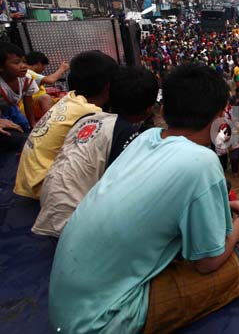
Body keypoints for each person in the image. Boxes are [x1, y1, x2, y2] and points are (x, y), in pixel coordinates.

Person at [48, 63, 239, 334]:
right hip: (102, 320)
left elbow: (161, 202)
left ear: (163, 111)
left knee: (225, 229)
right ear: (219, 119)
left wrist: (234, 204)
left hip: (69, 301)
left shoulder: (147, 137)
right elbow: (207, 263)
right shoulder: (202, 162)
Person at [32, 67, 158, 238]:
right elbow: (122, 191)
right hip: (72, 226)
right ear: (149, 109)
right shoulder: (125, 133)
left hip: (47, 209)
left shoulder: (87, 119)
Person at [14, 51, 118, 199]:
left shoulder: (70, 98)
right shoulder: (92, 114)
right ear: (108, 86)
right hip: (41, 186)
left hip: (26, 179)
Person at [0, 42, 38, 132]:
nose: (24, 66)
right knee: (11, 133)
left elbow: (28, 103)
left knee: (25, 127)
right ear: (1, 67)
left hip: (13, 109)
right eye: (17, 62)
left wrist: (32, 124)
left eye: (24, 61)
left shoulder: (27, 79)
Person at [22, 51, 69, 120]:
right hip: (28, 108)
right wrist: (62, 69)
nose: (43, 70)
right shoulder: (28, 72)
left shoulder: (32, 75)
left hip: (35, 106)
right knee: (45, 98)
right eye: (43, 67)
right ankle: (51, 122)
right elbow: (50, 80)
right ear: (39, 64)